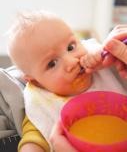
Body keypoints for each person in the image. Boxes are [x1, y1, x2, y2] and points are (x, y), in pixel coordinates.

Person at [7, 11, 127, 152]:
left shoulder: (105, 62)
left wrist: (112, 49)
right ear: (36, 81)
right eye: (52, 63)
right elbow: (34, 137)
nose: (71, 62)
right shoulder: (43, 102)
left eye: (71, 47)